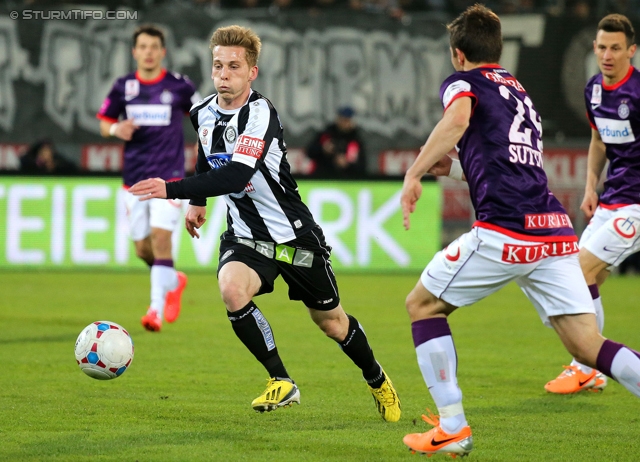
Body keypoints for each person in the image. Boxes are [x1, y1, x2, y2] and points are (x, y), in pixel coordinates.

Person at [399, 5, 640, 458]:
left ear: (458, 54)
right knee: (589, 347)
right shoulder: (517, 91)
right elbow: (504, 164)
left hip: (506, 232)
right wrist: (450, 170)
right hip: (553, 231)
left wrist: (412, 173)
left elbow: (457, 120)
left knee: (423, 305)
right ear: (499, 48)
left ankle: (453, 427)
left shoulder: (462, 82)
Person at [128, 25, 401, 420]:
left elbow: (237, 175)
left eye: (234, 67)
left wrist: (171, 189)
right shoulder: (201, 112)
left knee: (332, 323)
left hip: (293, 236)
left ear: (252, 72)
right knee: (232, 290)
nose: (223, 74)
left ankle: (376, 379)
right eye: (218, 65)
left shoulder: (260, 113)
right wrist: (198, 200)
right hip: (245, 236)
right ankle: (281, 380)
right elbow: (208, 154)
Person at [545, 14, 640, 394]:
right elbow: (599, 141)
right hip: (611, 199)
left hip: (636, 205)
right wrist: (589, 188)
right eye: (601, 47)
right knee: (591, 277)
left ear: (631, 51)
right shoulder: (594, 90)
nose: (607, 54)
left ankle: (585, 366)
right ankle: (590, 368)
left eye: (615, 48)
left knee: (579, 272)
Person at [96, 24, 200, 332]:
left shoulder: (179, 86)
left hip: (169, 180)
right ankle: (173, 279)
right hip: (134, 181)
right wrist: (117, 129)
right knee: (143, 250)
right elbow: (104, 122)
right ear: (134, 52)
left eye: (154, 47)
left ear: (163, 52)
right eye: (143, 47)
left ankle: (154, 310)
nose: (149, 52)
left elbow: (203, 116)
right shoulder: (123, 86)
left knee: (161, 239)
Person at [306, 106, 367, 177]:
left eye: (347, 120)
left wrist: (347, 164)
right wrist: (323, 149)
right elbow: (310, 152)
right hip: (323, 177)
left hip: (347, 180)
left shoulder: (355, 140)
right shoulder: (326, 135)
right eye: (343, 119)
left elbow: (362, 165)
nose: (345, 123)